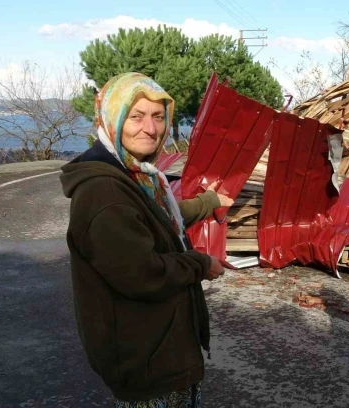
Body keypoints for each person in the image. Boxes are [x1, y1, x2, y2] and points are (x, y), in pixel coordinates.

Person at [60, 72, 233, 407]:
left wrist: (207, 203)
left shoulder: (133, 174)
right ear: (113, 118)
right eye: (135, 116)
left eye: (158, 117)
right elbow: (143, 273)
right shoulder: (105, 192)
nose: (150, 129)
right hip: (145, 356)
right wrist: (201, 263)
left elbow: (156, 217)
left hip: (156, 345)